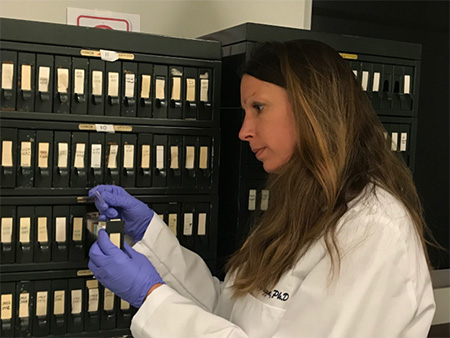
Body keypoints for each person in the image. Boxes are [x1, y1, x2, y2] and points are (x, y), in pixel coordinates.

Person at [88, 39, 436, 337]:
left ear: (312, 108)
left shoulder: (373, 231)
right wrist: (151, 237)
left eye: (258, 107)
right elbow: (229, 311)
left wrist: (152, 296)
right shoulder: (302, 209)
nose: (244, 131)